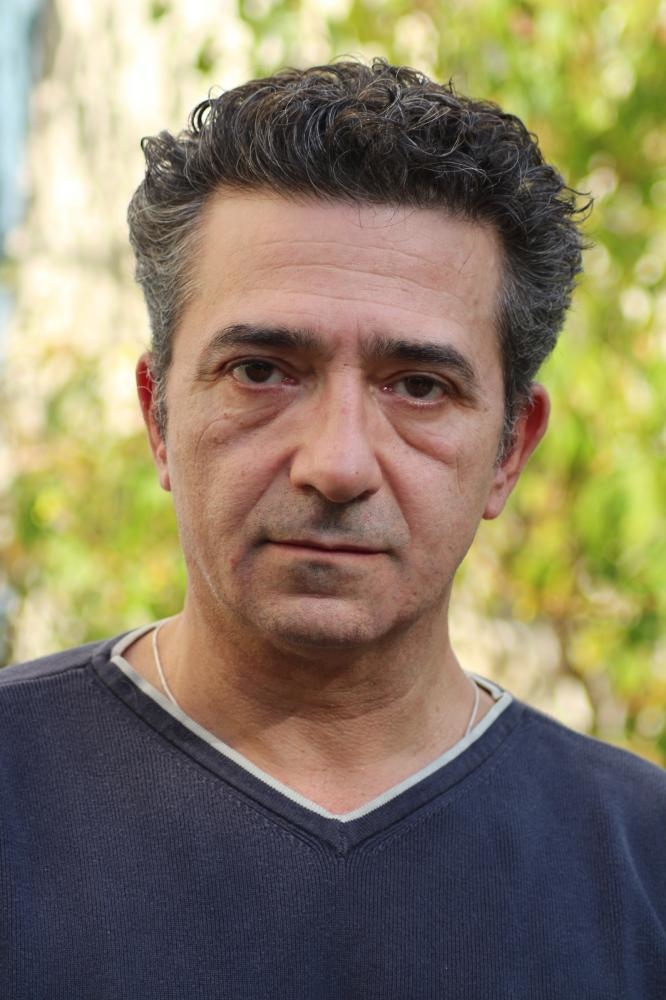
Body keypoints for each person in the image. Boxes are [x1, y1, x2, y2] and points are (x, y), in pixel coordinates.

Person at [1, 59, 664, 999]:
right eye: (261, 371)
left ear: (510, 450)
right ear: (158, 415)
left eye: (419, 386)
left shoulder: (641, 864)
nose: (338, 463)